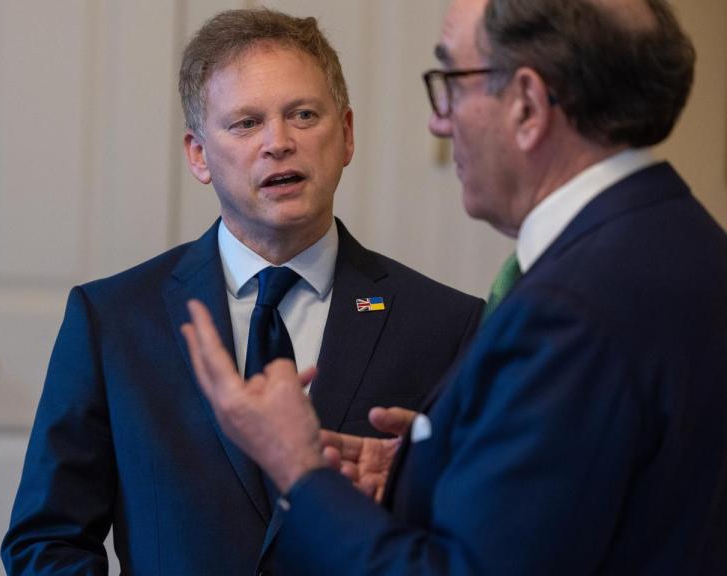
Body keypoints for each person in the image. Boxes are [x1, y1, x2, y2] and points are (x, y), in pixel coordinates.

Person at [182, 0, 727, 573]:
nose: (438, 123)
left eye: (452, 83)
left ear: (526, 105)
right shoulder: (686, 242)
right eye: (246, 122)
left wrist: (301, 470)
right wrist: (432, 470)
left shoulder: (571, 308)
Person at [2, 8, 483, 575]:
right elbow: (46, 541)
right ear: (200, 155)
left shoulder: (447, 324)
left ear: (347, 135)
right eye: (246, 123)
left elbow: (475, 537)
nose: (279, 143)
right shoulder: (113, 318)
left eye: (303, 115)